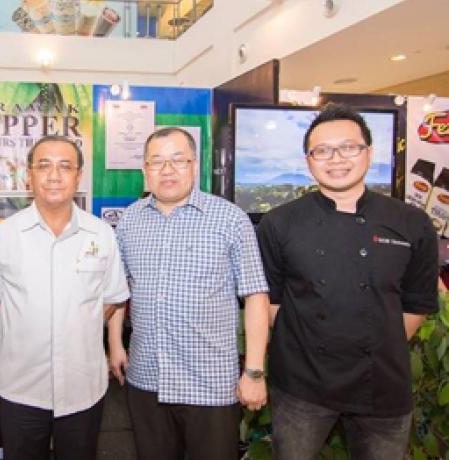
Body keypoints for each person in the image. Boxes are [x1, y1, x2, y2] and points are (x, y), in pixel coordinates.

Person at [256, 103, 438, 460]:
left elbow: (416, 306)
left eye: (349, 147)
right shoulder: (279, 223)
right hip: (302, 385)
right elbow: (272, 303)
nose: (335, 159)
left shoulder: (411, 223)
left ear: (369, 153)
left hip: (382, 383)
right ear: (308, 160)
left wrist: (374, 341)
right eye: (321, 151)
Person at [108, 127, 270, 460]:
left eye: (178, 160)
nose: (167, 170)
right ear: (144, 170)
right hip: (146, 378)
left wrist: (254, 371)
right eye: (157, 162)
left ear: (194, 165)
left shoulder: (230, 219)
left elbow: (256, 296)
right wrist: (114, 344)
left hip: (209, 384)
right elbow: (118, 288)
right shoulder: (130, 221)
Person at [0, 135, 130, 460]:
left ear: (78, 175)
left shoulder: (101, 234)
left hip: (83, 386)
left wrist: (73, 323)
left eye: (65, 166)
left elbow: (112, 297)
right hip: (22, 387)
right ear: (29, 175)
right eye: (44, 165)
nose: (54, 175)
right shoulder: (3, 235)